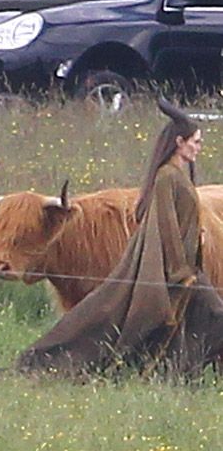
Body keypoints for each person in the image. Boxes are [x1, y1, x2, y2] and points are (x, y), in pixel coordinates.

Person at [17, 98, 223, 378]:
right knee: (214, 316)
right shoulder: (166, 178)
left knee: (192, 325)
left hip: (189, 269)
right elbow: (166, 226)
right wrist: (180, 271)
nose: (199, 148)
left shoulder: (177, 176)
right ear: (178, 142)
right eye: (195, 142)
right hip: (180, 272)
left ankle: (179, 374)